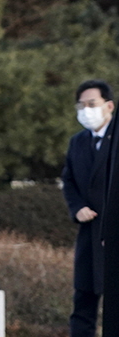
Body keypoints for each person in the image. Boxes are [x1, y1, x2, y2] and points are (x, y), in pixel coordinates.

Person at [63, 79, 114, 337]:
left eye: (92, 104)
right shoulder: (78, 142)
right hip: (88, 231)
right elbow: (68, 180)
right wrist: (77, 207)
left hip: (112, 231)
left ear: (109, 106)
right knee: (83, 300)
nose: (86, 110)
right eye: (81, 105)